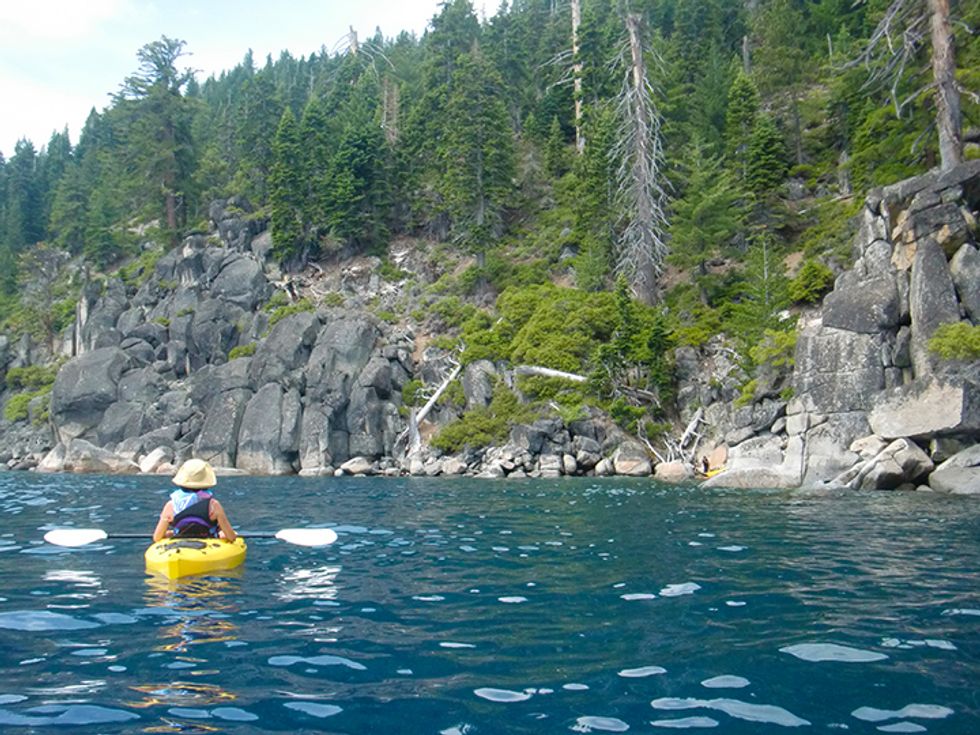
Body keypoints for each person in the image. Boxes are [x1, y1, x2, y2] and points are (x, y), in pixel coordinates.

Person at [153, 458, 237, 542]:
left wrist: (171, 533)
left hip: (180, 549)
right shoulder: (214, 505)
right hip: (209, 550)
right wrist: (222, 533)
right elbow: (231, 537)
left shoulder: (170, 506)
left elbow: (157, 538)